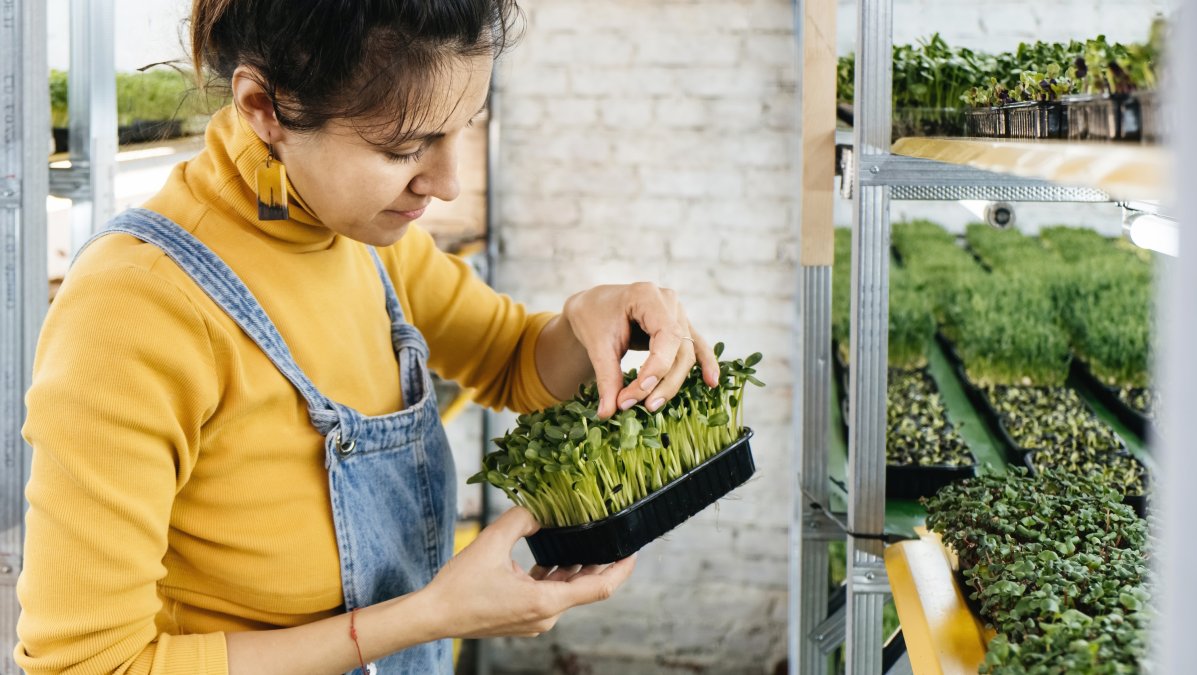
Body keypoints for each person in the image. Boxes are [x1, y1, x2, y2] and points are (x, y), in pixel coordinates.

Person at [14, 1, 721, 673]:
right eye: (407, 146)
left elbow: (512, 361)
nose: (446, 182)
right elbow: (91, 661)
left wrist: (593, 315)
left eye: (462, 127)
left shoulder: (361, 235)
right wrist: (427, 615)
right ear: (265, 109)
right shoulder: (135, 310)